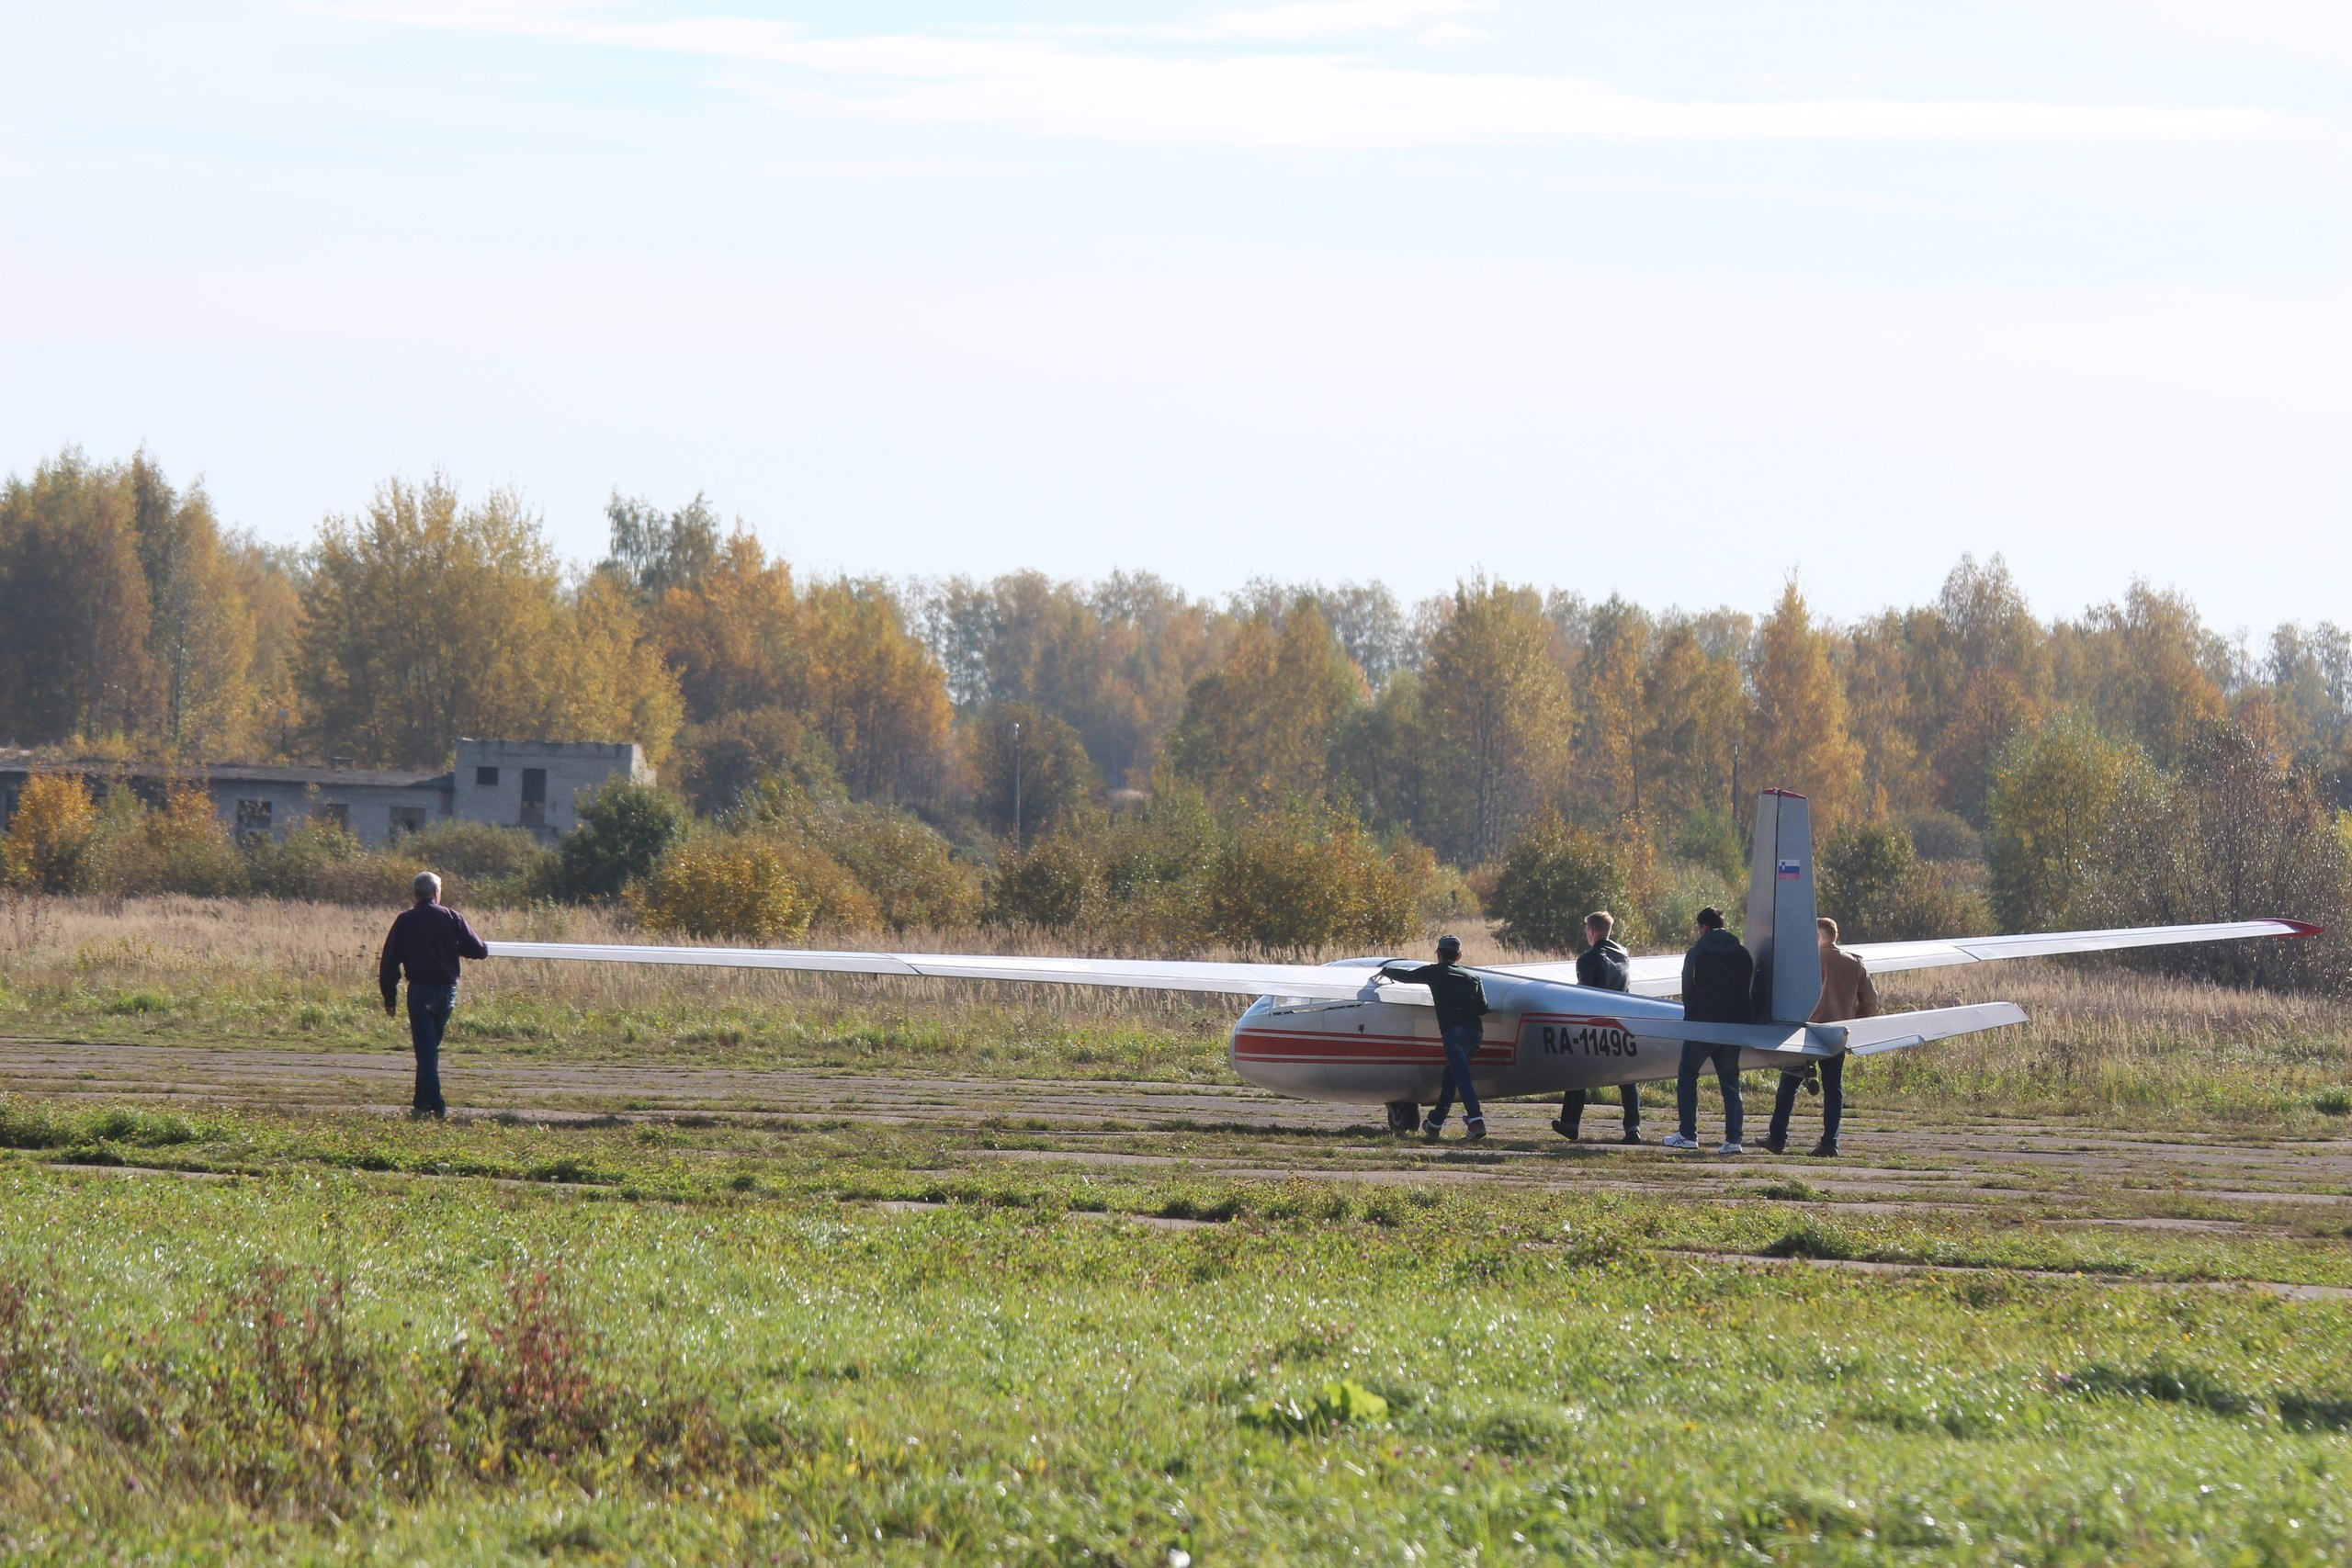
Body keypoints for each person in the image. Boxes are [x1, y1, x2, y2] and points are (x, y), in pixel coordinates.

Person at [1763, 917, 1879, 1156]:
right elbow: (1870, 1000)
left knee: (1789, 1083)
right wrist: (1852, 1020)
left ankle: (1777, 1138)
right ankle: (1829, 1143)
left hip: (1805, 1031)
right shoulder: (1855, 963)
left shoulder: (1805, 961)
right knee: (1833, 1088)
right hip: (1836, 1032)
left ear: (1817, 936)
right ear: (1835, 936)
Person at [379, 871, 489, 1119]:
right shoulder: (451, 917)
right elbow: (479, 950)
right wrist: (455, 949)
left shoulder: (404, 921)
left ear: (416, 894)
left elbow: (389, 962)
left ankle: (435, 1105)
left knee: (426, 1052)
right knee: (429, 1050)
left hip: (420, 992)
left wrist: (389, 996)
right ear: (436, 892)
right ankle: (421, 1102)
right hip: (447, 994)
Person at [1379, 933, 1491, 1142]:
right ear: (1459, 956)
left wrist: (1385, 971)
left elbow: (1407, 976)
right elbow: (1483, 1008)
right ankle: (1435, 1123)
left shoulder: (1435, 972)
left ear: (1438, 953)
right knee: (1451, 1076)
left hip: (1453, 1032)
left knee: (1461, 1076)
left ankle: (1476, 1120)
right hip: (1475, 1033)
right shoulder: (1473, 977)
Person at [1662, 907, 1752, 1154]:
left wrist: (1691, 1016)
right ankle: (1734, 1140)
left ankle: (1687, 1134)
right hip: (1733, 1026)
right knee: (1730, 1083)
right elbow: (1747, 987)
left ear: (1704, 927)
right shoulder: (1742, 953)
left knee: (1687, 1074)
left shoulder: (1697, 952)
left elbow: (1687, 988)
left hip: (1702, 1025)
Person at [1553, 910, 1641, 1144]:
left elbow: (1585, 997)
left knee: (1578, 1073)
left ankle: (1570, 1124)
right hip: (1621, 1021)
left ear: (1591, 931)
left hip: (1597, 1025)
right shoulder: (1623, 954)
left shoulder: (1587, 959)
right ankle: (1633, 1128)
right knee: (1627, 1077)